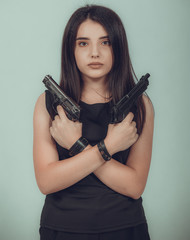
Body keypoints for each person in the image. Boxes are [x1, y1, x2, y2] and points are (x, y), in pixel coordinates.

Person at [33, 4, 154, 240]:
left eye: (105, 42)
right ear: (71, 50)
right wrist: (108, 147)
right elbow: (47, 182)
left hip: (125, 228)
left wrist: (76, 144)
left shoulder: (141, 105)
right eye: (83, 43)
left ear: (118, 48)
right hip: (62, 228)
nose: (95, 53)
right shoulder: (46, 103)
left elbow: (134, 186)